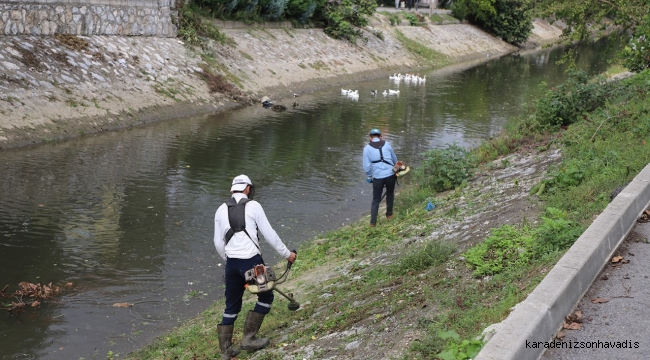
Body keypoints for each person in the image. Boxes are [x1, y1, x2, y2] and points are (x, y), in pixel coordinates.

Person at [213, 174, 297, 359]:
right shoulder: (254, 206)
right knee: (266, 296)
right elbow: (269, 234)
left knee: (231, 306)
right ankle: (248, 339)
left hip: (231, 264)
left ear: (232, 189)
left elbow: (218, 244)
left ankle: (226, 351)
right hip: (252, 263)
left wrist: (229, 261)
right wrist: (287, 254)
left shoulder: (220, 209)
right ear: (248, 189)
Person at [362, 128, 399, 227]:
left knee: (376, 199)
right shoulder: (387, 144)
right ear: (381, 136)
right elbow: (395, 159)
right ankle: (389, 215)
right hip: (390, 174)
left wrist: (369, 176)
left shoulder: (367, 148)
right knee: (390, 194)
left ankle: (373, 223)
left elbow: (366, 166)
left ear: (370, 138)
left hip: (378, 177)